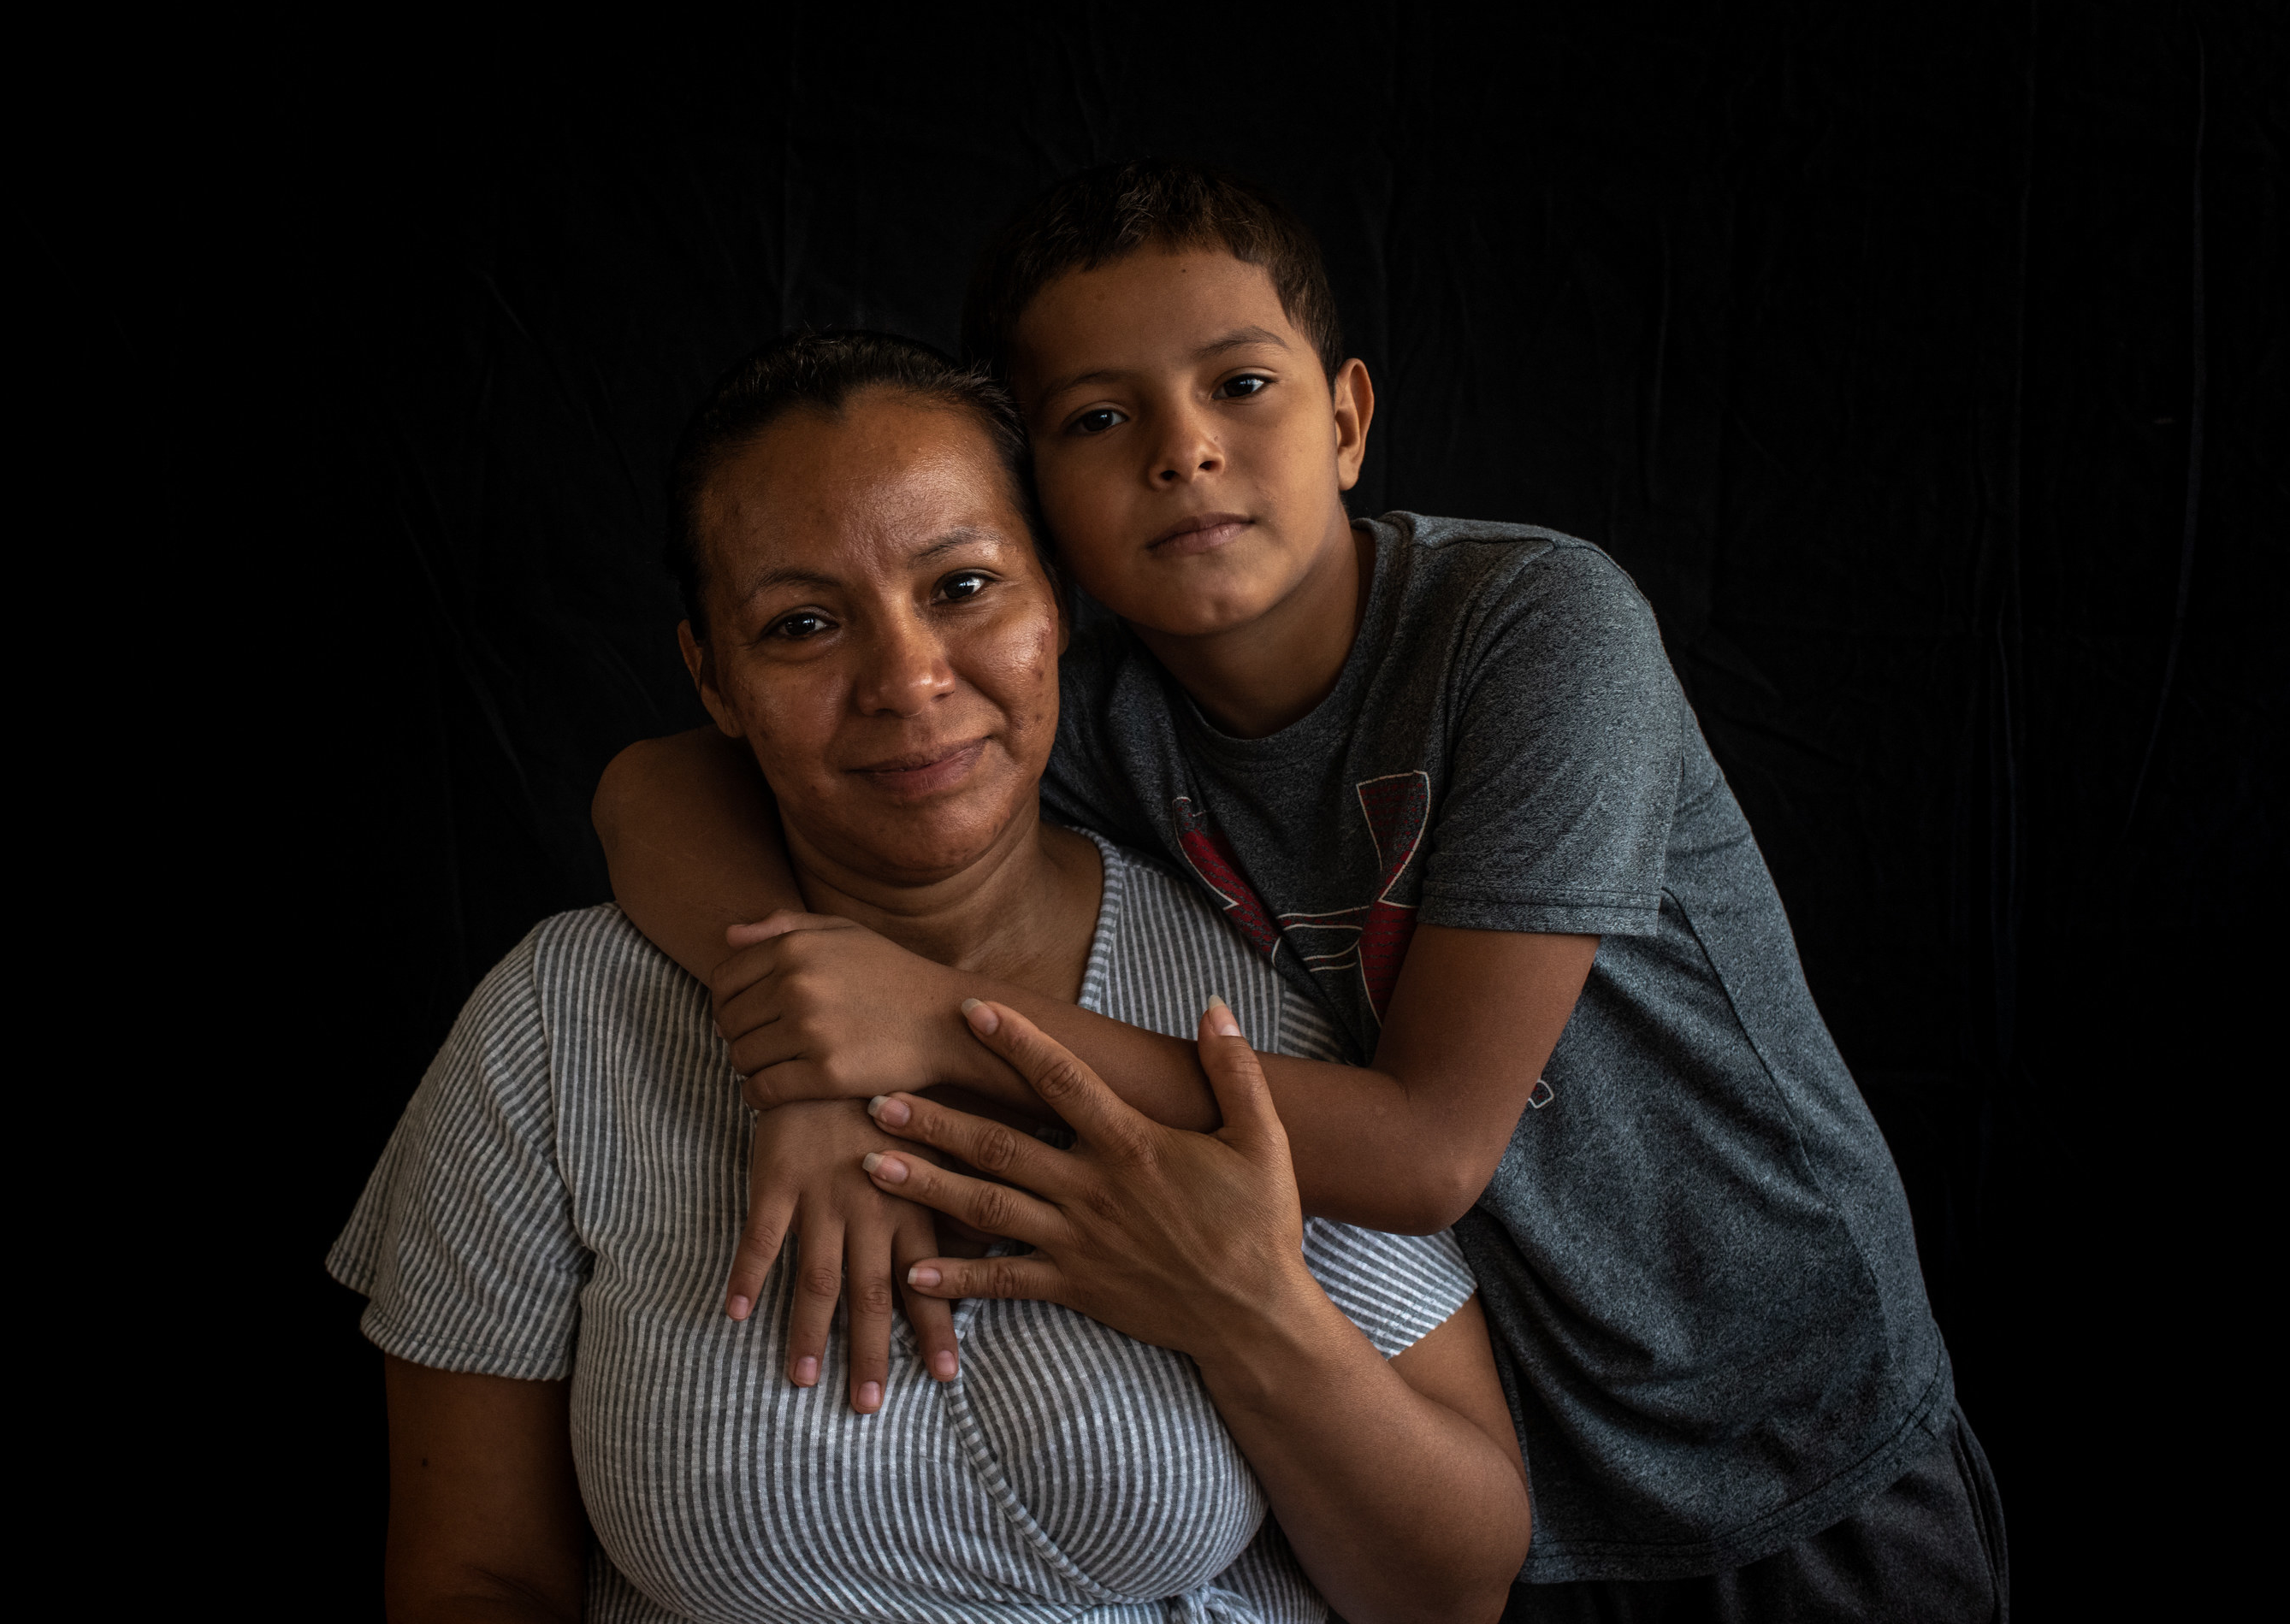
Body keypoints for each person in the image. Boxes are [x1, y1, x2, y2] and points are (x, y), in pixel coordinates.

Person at [594, 162, 2009, 1620]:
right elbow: (652, 791)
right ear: (1038, 518)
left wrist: (936, 1026)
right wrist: (811, 1067)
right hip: (1488, 1447)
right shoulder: (1075, 716)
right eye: (1098, 418)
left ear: (1346, 419)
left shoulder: (1530, 626)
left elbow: (1428, 1153)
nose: (1183, 452)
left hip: (1782, 1431)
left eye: (1241, 386)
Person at [333, 331, 1531, 1624]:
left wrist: (1250, 1313)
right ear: (711, 679)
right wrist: (803, 1065)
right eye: (802, 625)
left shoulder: (1229, 1002)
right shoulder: (558, 1027)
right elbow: (475, 1575)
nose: (906, 681)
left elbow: (1451, 1588)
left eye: (962, 587)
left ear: (1055, 610)